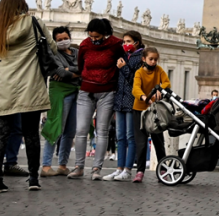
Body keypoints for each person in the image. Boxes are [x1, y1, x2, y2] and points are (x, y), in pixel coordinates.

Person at [0, 0, 54, 193]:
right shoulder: (33, 22)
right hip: (30, 84)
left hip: (4, 86)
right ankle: (33, 179)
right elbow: (51, 47)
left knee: (1, 133)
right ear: (22, 4)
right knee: (31, 133)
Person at [69, 18, 123, 181]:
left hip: (107, 92)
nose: (94, 40)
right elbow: (81, 66)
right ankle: (79, 167)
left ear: (105, 34)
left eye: (97, 37)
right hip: (86, 91)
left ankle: (96, 168)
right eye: (91, 36)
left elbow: (121, 66)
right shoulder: (85, 45)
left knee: (102, 131)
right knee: (81, 130)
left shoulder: (116, 45)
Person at [39, 26, 80, 177]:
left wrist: (69, 71)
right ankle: (46, 166)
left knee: (70, 131)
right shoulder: (53, 53)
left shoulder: (77, 52)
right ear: (55, 41)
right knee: (55, 127)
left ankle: (63, 165)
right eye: (59, 40)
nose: (63, 41)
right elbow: (61, 72)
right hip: (59, 93)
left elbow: (86, 68)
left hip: (76, 92)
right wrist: (73, 72)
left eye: (65, 38)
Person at [103, 30, 143, 181]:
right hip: (119, 100)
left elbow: (136, 80)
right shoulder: (123, 56)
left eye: (128, 41)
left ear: (136, 42)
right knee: (120, 137)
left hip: (132, 101)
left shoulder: (141, 58)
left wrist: (124, 67)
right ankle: (119, 168)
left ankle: (127, 169)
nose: (125, 44)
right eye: (124, 42)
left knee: (130, 136)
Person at [131, 47, 170, 183]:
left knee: (158, 141)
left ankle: (163, 169)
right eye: (151, 59)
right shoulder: (139, 72)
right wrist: (143, 97)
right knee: (141, 143)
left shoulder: (159, 70)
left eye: (155, 59)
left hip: (154, 110)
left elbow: (166, 82)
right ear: (144, 59)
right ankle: (140, 171)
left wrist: (161, 89)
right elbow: (136, 88)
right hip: (140, 110)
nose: (153, 62)